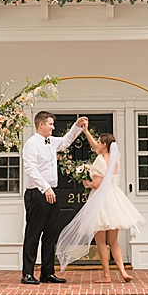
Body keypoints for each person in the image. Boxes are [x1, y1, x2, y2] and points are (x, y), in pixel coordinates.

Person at [56, 127, 145, 283]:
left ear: (104, 144)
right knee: (114, 241)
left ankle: (106, 275)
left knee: (101, 242)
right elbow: (97, 149)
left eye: (98, 142)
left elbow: (97, 184)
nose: (96, 144)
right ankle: (123, 271)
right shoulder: (115, 158)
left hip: (101, 202)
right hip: (114, 200)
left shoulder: (100, 161)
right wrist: (86, 132)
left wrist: (86, 183)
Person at [20, 111, 88, 284]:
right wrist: (46, 188)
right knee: (33, 234)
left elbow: (66, 141)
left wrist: (77, 126)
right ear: (41, 124)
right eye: (50, 124)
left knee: (51, 234)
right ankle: (27, 273)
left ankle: (47, 272)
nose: (53, 127)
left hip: (53, 193)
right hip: (37, 193)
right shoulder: (31, 144)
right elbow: (31, 169)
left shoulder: (51, 142)